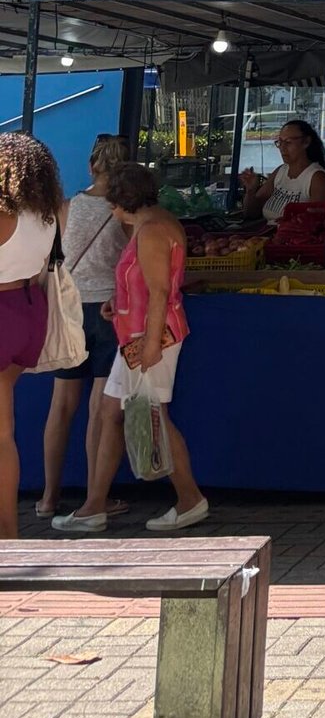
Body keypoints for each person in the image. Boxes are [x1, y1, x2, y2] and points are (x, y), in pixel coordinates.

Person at [54, 163, 207, 534]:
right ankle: (94, 506)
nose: (110, 209)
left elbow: (159, 291)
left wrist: (152, 343)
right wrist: (118, 303)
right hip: (138, 336)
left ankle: (189, 499)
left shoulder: (151, 231)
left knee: (151, 412)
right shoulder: (153, 222)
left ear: (124, 201)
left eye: (112, 203)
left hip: (149, 339)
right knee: (114, 412)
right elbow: (147, 285)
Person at [36, 135, 131, 520]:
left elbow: (53, 258)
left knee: (60, 407)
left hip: (70, 311)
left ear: (92, 166)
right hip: (110, 311)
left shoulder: (67, 207)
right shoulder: (124, 211)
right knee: (99, 409)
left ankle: (47, 497)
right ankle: (96, 499)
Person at [0, 133, 68, 540]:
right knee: (3, 432)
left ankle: (6, 532)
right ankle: (8, 531)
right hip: (29, 312)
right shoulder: (49, 213)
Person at [241, 119, 325, 220]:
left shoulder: (317, 178)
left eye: (288, 142)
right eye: (280, 142)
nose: (282, 148)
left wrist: (290, 223)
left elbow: (320, 223)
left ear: (306, 142)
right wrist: (250, 191)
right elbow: (251, 213)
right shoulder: (281, 171)